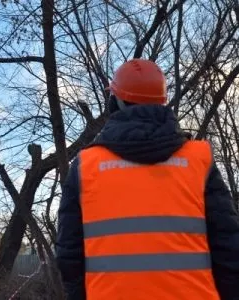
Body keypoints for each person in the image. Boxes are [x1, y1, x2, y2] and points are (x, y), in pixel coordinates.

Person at [55, 58, 239, 300]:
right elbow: (229, 249)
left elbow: (69, 256)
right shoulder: (198, 160)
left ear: (115, 103)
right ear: (162, 103)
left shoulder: (86, 166)